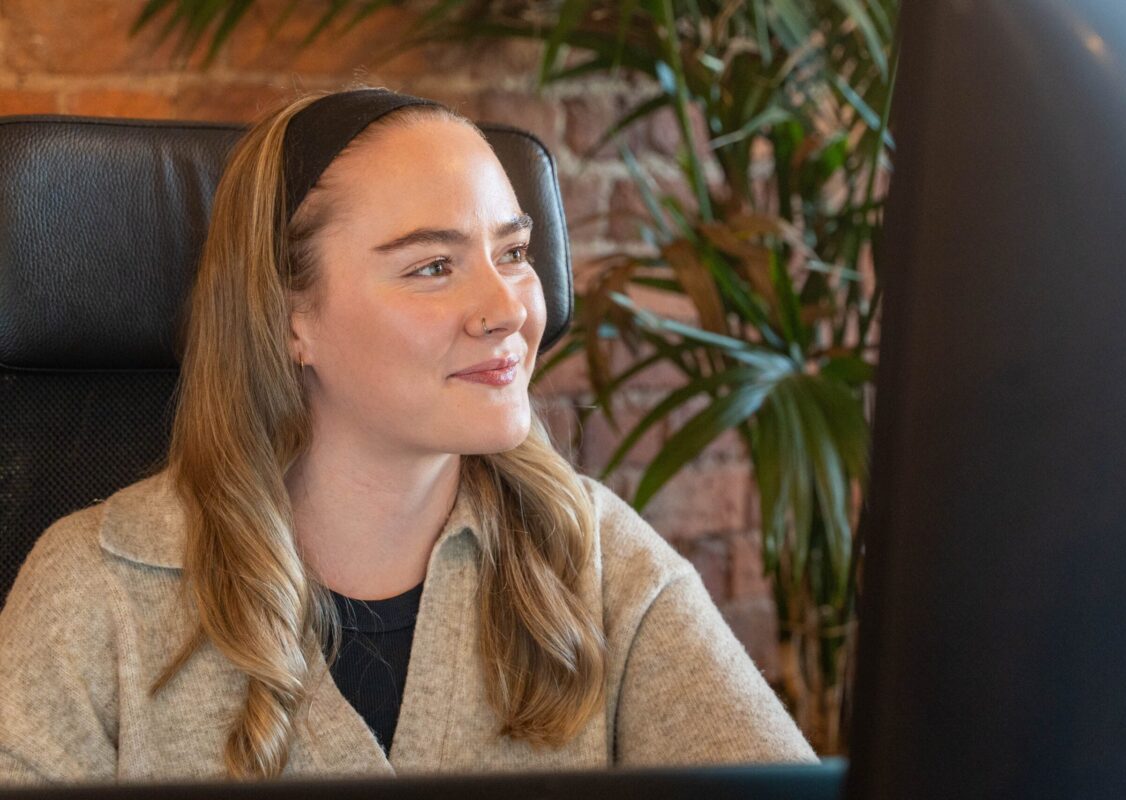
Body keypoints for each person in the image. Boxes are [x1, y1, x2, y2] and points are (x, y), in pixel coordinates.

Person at [0, 87, 817, 784]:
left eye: (515, 251)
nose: (507, 308)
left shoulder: (597, 556)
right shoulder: (94, 592)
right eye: (434, 266)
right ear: (291, 321)